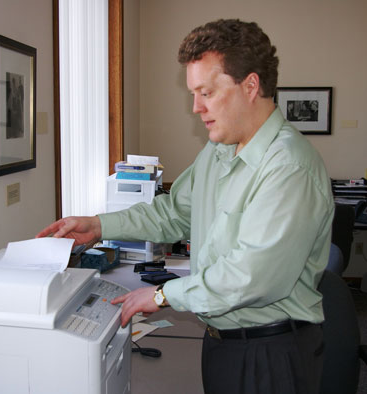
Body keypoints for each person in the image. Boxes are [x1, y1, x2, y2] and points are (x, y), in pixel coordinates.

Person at [36, 19, 334, 394]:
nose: (196, 107)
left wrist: (162, 295)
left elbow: (253, 278)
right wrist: (98, 225)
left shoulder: (289, 167)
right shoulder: (219, 150)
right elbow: (173, 213)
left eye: (206, 92)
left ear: (251, 85)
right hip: (223, 343)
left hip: (270, 352)